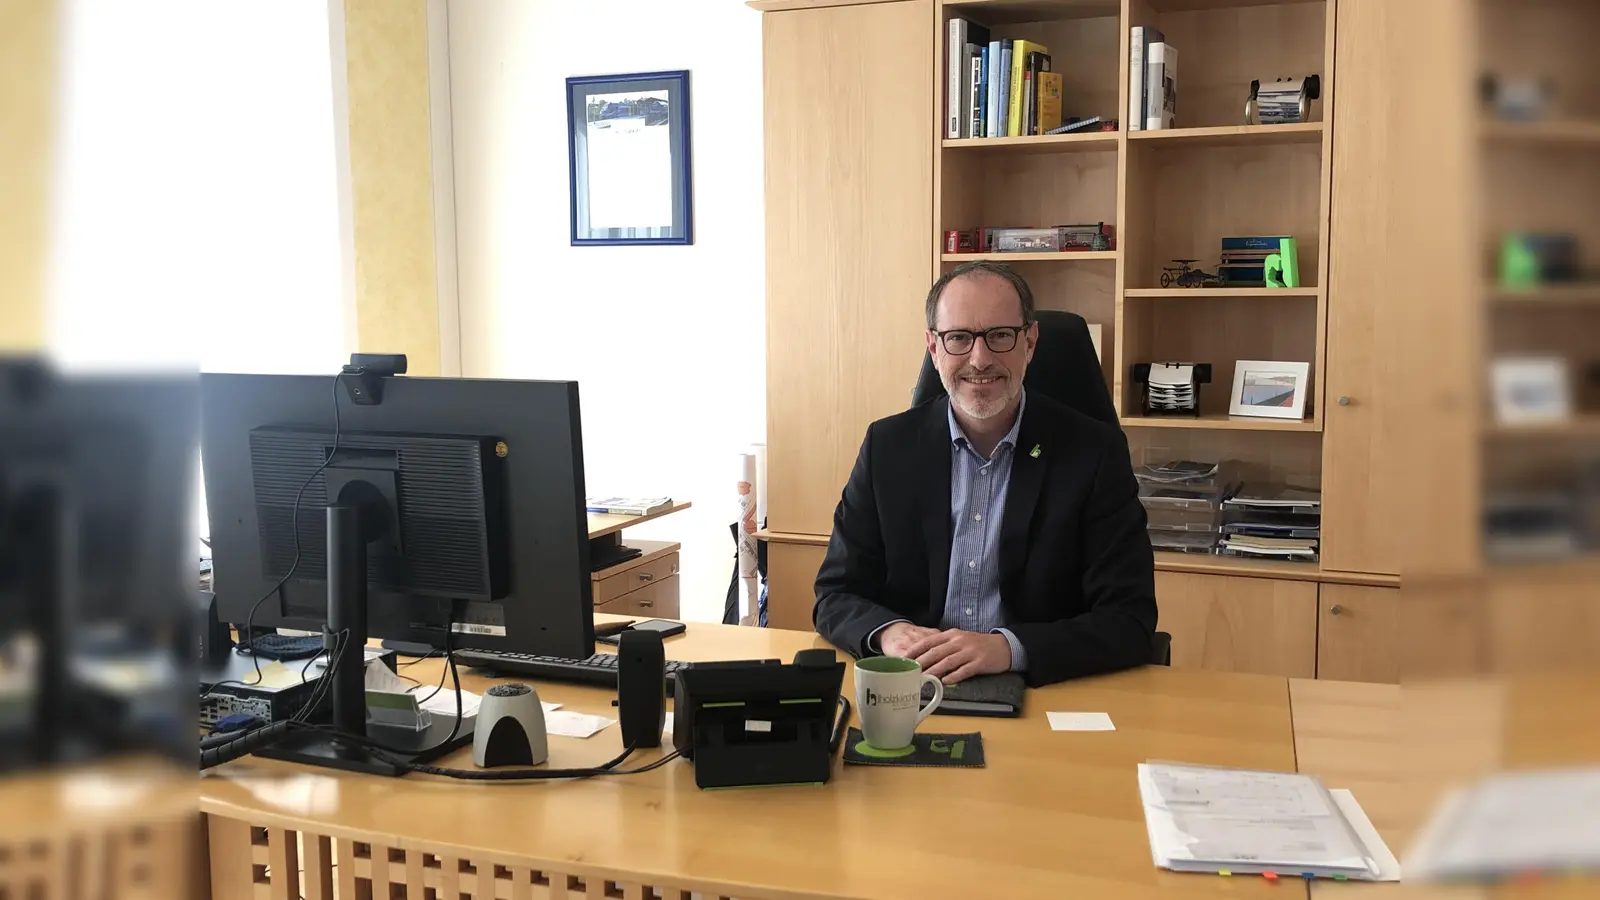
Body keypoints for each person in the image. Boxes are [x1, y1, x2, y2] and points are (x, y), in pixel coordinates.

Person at [812, 261, 1157, 686]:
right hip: (911, 683)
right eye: (958, 337)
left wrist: (1007, 648)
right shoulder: (888, 447)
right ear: (933, 347)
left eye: (1000, 335)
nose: (979, 359)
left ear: (1030, 342)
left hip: (1041, 689)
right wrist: (888, 633)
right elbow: (836, 594)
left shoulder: (1094, 454)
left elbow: (1129, 618)